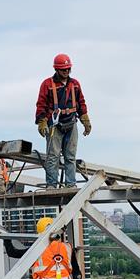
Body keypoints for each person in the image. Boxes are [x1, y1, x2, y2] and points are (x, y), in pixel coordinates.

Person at [35, 54, 91, 189]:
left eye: (68, 69)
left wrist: (85, 119)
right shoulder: (47, 84)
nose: (66, 72)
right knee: (53, 157)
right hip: (54, 125)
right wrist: (42, 122)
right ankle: (51, 185)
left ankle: (71, 184)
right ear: (56, 70)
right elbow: (41, 104)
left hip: (71, 123)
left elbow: (81, 102)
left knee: (70, 157)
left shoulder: (75, 84)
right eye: (63, 70)